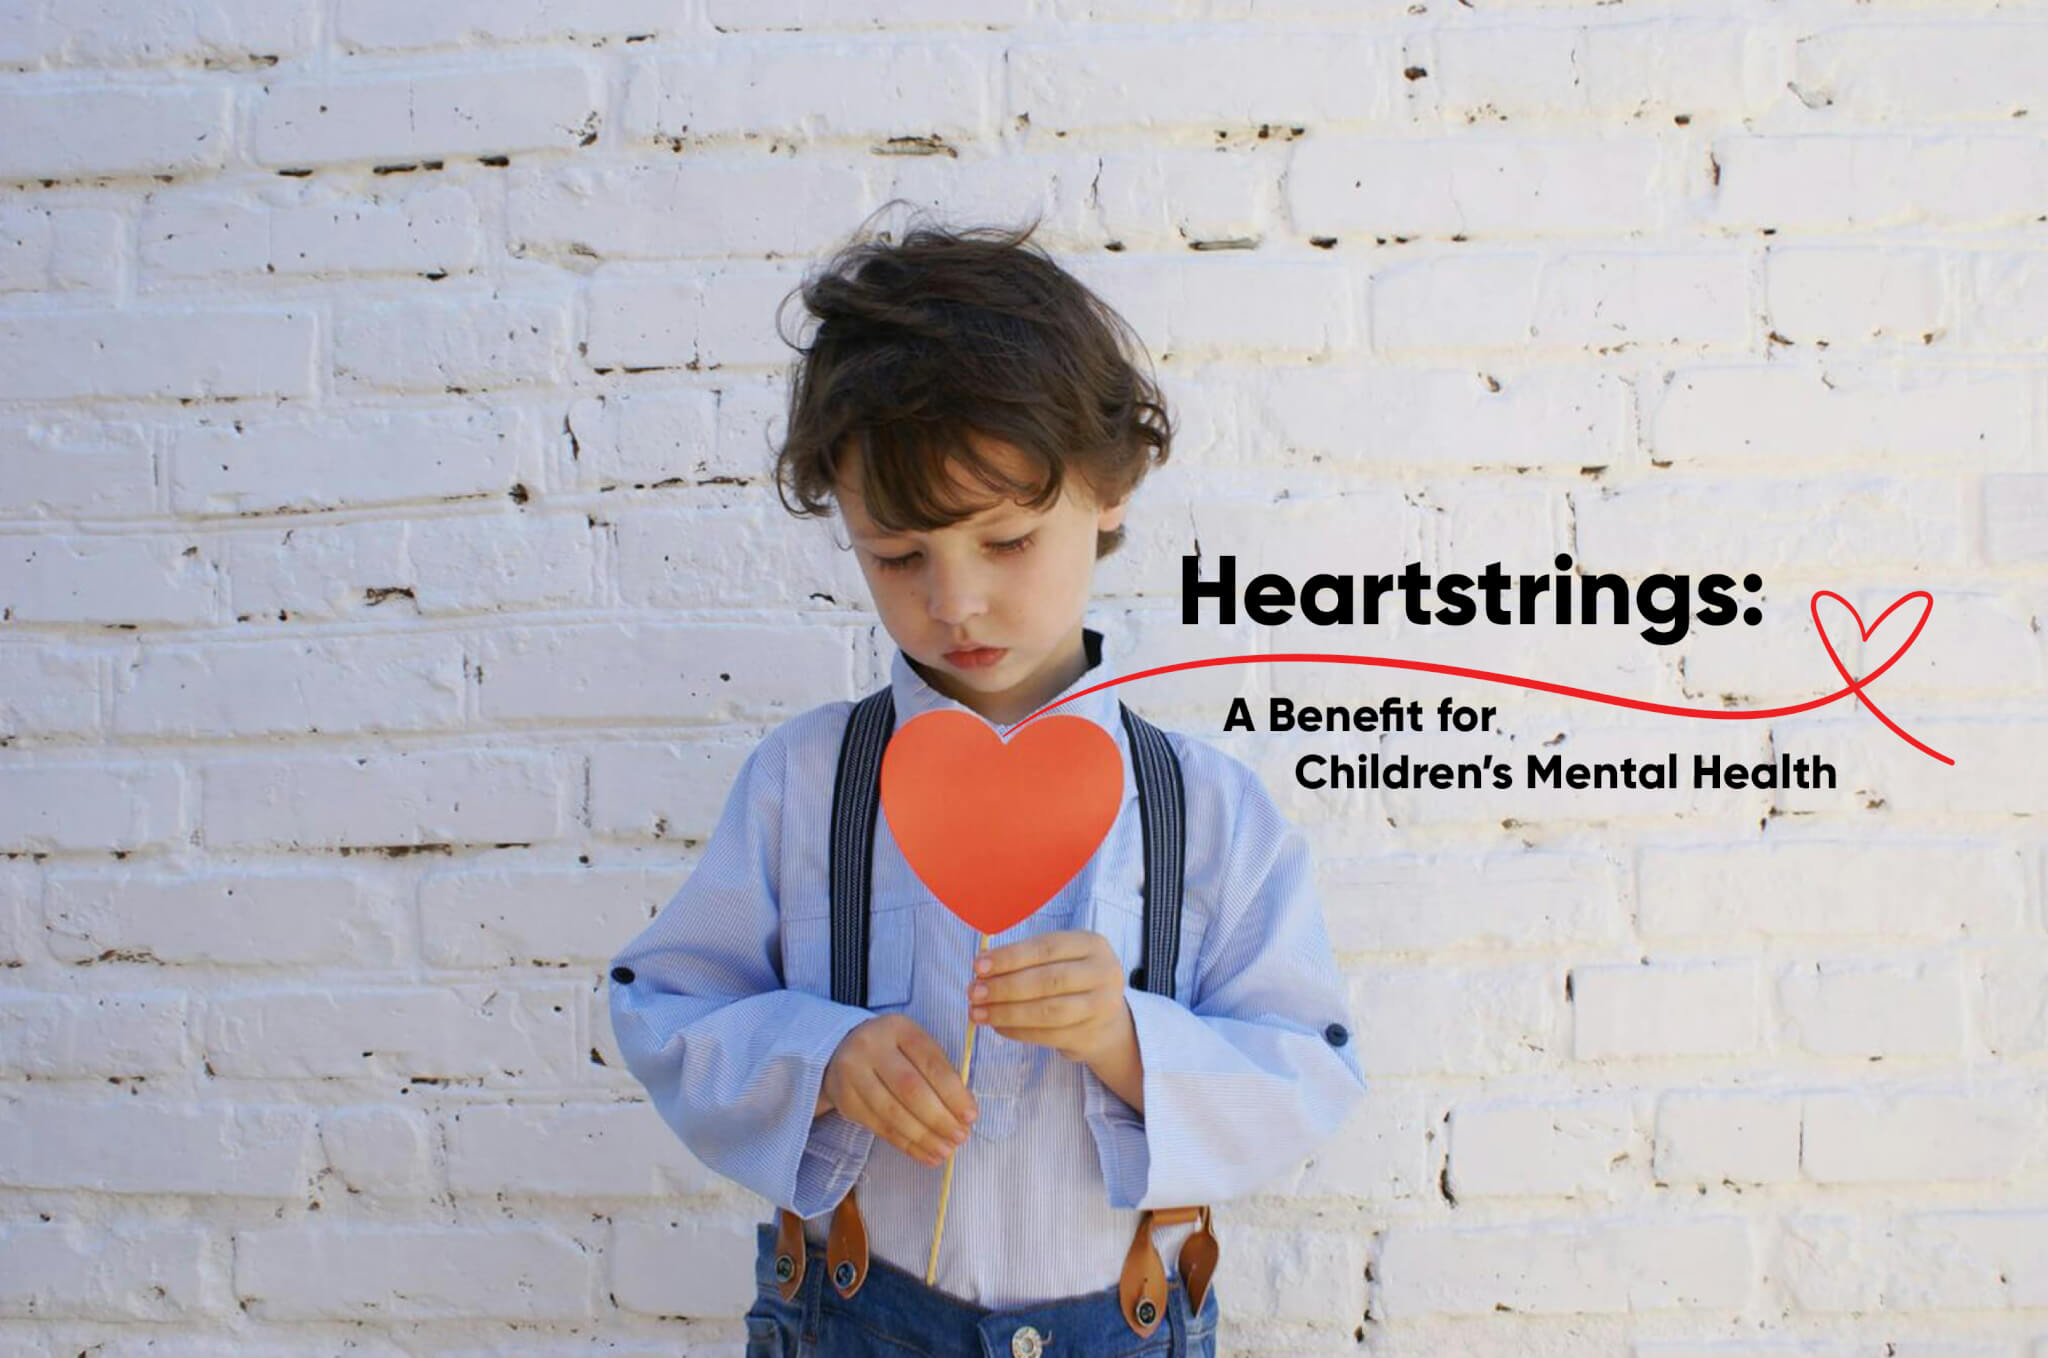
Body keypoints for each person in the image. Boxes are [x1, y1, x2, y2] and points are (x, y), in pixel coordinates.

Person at [607, 211, 1366, 1357]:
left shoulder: (1204, 810)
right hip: (854, 1319)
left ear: (1109, 490)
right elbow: (664, 1006)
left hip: (1122, 1321)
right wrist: (819, 1055)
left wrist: (1126, 1038)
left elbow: (1309, 1067)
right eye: (898, 556)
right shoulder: (805, 784)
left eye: (1003, 541)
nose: (952, 602)